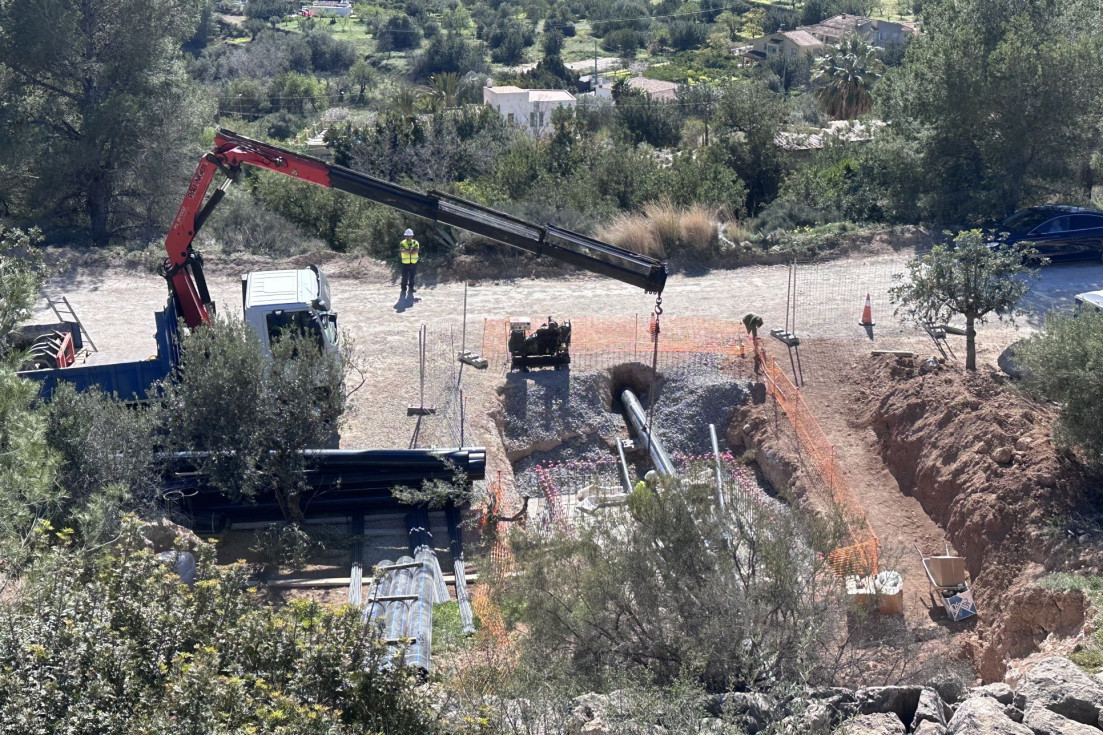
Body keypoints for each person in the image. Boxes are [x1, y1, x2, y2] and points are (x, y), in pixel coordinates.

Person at [399, 228, 420, 296]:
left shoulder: (415, 242)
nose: (407, 237)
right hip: (405, 263)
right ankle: (403, 289)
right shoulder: (402, 242)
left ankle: (411, 288)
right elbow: (402, 250)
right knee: (404, 276)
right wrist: (411, 251)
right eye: (406, 236)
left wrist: (407, 251)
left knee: (412, 276)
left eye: (409, 236)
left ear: (412, 236)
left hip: (413, 262)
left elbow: (416, 251)